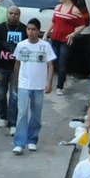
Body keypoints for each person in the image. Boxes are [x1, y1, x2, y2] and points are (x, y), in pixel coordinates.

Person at [12, 18, 55, 155]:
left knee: (36, 115)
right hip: (24, 85)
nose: (30, 32)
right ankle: (19, 143)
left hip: (39, 86)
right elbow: (17, 65)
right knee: (22, 113)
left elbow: (50, 64)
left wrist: (49, 82)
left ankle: (32, 140)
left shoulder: (45, 46)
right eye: (28, 29)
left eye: (33, 29)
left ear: (38, 30)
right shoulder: (21, 45)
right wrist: (15, 83)